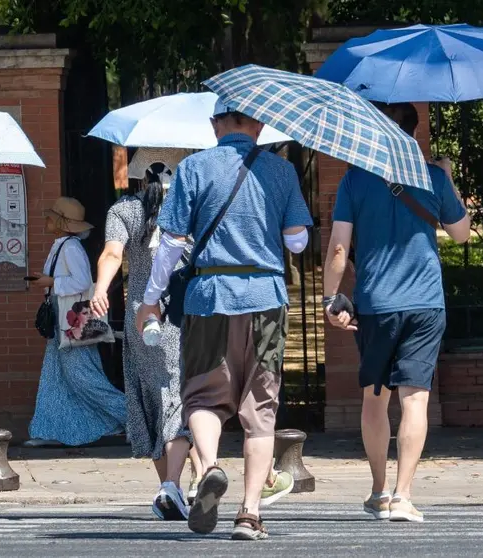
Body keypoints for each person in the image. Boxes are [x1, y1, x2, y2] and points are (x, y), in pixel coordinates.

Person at [136, 101, 313, 540]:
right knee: (261, 410)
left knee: (201, 398)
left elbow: (171, 244)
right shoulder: (281, 171)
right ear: (260, 123)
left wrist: (149, 300)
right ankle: (250, 513)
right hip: (266, 299)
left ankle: (210, 467)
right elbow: (297, 242)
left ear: (215, 124)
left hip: (208, 298)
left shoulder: (194, 167)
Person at [322, 102, 471, 523]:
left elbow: (337, 248)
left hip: (375, 305)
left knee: (374, 400)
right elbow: (461, 235)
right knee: (416, 400)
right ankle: (405, 496)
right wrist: (449, 177)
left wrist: (330, 299)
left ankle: (378, 490)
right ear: (413, 133)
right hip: (425, 304)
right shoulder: (433, 176)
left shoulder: (353, 179)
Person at [91, 162, 194, 520]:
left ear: (138, 175)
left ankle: (171, 487)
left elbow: (112, 254)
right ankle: (175, 487)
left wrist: (100, 289)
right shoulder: (189, 207)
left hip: (141, 316)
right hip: (185, 311)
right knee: (178, 395)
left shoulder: (123, 210)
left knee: (150, 395)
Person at [24, 197, 127, 448]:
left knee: (83, 377)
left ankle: (133, 416)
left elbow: (81, 282)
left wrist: (51, 283)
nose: (47, 220)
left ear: (61, 222)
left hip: (70, 322)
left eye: (51, 217)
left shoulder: (69, 247)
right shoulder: (63, 245)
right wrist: (49, 280)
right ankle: (51, 430)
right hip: (63, 320)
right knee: (56, 376)